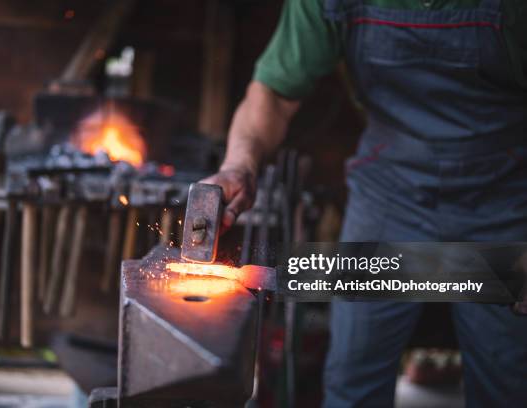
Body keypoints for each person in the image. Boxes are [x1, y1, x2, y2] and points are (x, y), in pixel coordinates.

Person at [202, 0, 527, 406]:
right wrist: (238, 165)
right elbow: (274, 92)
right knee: (352, 381)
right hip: (388, 194)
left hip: (509, 195)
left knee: (509, 385)